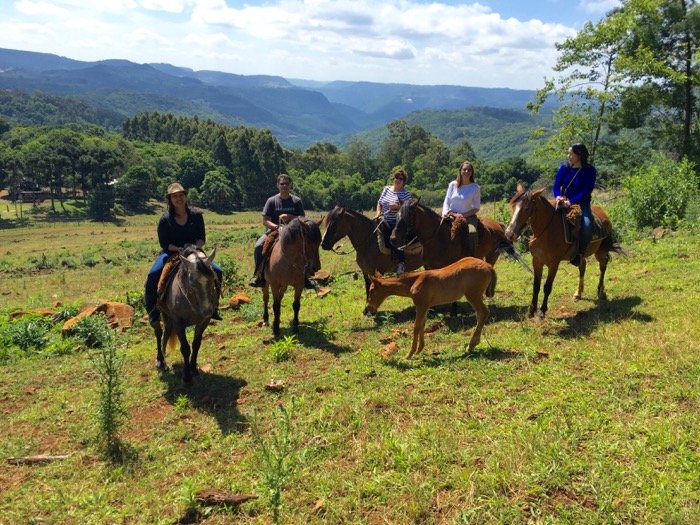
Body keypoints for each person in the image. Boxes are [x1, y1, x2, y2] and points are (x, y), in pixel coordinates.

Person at [144, 182, 223, 324]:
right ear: (170, 200)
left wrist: (194, 248)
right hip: (172, 253)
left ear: (185, 197)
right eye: (174, 197)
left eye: (181, 195)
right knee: (152, 275)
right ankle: (153, 311)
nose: (178, 199)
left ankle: (214, 306)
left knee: (217, 270)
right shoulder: (165, 220)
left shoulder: (196, 215)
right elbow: (165, 244)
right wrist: (179, 249)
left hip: (194, 252)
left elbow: (201, 238)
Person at [249, 173, 314, 288]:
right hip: (275, 231)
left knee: (307, 246)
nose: (284, 186)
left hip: (294, 234)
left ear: (290, 185)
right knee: (258, 245)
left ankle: (306, 276)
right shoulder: (272, 201)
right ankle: (259, 276)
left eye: (287, 184)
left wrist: (289, 216)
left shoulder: (296, 201)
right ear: (278, 185)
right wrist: (276, 227)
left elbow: (302, 218)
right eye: (282, 184)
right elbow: (265, 221)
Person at [553, 143, 597, 266]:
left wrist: (570, 202)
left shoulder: (590, 171)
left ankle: (579, 254)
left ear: (579, 155)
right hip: (562, 202)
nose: (569, 156)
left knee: (587, 226)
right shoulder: (564, 168)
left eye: (571, 153)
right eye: (568, 153)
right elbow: (556, 185)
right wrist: (558, 196)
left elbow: (586, 190)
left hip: (581, 204)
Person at [375, 168, 411, 274]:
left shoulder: (406, 194)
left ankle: (401, 262)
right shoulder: (386, 189)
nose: (397, 180)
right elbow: (379, 203)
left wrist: (398, 206)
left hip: (397, 222)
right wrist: (378, 213)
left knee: (394, 237)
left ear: (404, 182)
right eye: (396, 177)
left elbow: (407, 210)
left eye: (400, 178)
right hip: (384, 218)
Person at [441, 161, 481, 256]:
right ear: (460, 171)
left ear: (472, 173)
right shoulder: (452, 185)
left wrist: (463, 215)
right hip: (451, 214)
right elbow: (447, 200)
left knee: (472, 232)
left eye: (469, 170)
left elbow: (476, 207)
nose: (466, 172)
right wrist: (445, 212)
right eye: (464, 169)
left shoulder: (475, 187)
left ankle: (471, 256)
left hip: (468, 217)